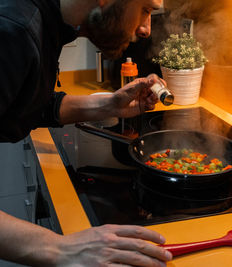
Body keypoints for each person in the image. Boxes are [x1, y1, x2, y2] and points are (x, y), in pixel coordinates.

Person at [0, 0, 173, 266]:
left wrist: (108, 105)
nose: (146, 29)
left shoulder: (47, 24)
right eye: (146, 10)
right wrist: (58, 248)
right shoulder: (12, 30)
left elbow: (30, 104)